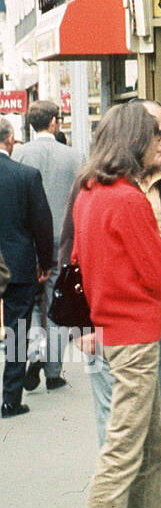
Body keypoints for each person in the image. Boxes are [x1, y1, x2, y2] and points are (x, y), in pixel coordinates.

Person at [63, 100, 161, 508]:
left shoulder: (88, 191)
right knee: (124, 450)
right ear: (134, 140)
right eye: (156, 134)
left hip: (114, 329)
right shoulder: (128, 199)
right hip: (135, 333)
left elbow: (75, 257)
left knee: (147, 445)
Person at [15, 100, 81, 393]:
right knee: (57, 303)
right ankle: (53, 372)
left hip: (25, 240)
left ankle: (30, 355)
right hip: (62, 240)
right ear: (54, 122)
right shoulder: (75, 156)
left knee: (26, 304)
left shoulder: (17, 154)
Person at [0, 116, 54, 419]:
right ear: (10, 140)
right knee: (17, 331)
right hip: (18, 264)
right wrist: (43, 263)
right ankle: (10, 399)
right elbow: (42, 226)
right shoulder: (26, 176)